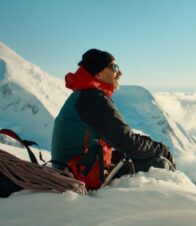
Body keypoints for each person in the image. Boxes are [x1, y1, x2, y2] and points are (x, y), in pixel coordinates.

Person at [51, 49, 175, 190]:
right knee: (160, 163)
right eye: (114, 67)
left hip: (77, 168)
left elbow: (122, 138)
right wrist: (162, 149)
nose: (120, 73)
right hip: (80, 175)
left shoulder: (84, 95)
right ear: (98, 73)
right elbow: (130, 144)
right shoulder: (93, 99)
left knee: (137, 156)